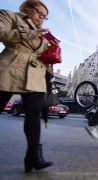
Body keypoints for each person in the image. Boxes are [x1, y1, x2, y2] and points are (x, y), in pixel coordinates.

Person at [0, 0, 59, 172]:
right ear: (27, 8)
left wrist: (52, 50)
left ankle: (33, 157)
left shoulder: (44, 34)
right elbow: (2, 34)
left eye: (44, 17)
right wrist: (32, 34)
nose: (41, 18)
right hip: (11, 67)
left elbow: (43, 54)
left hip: (35, 74)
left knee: (33, 116)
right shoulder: (9, 15)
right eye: (39, 13)